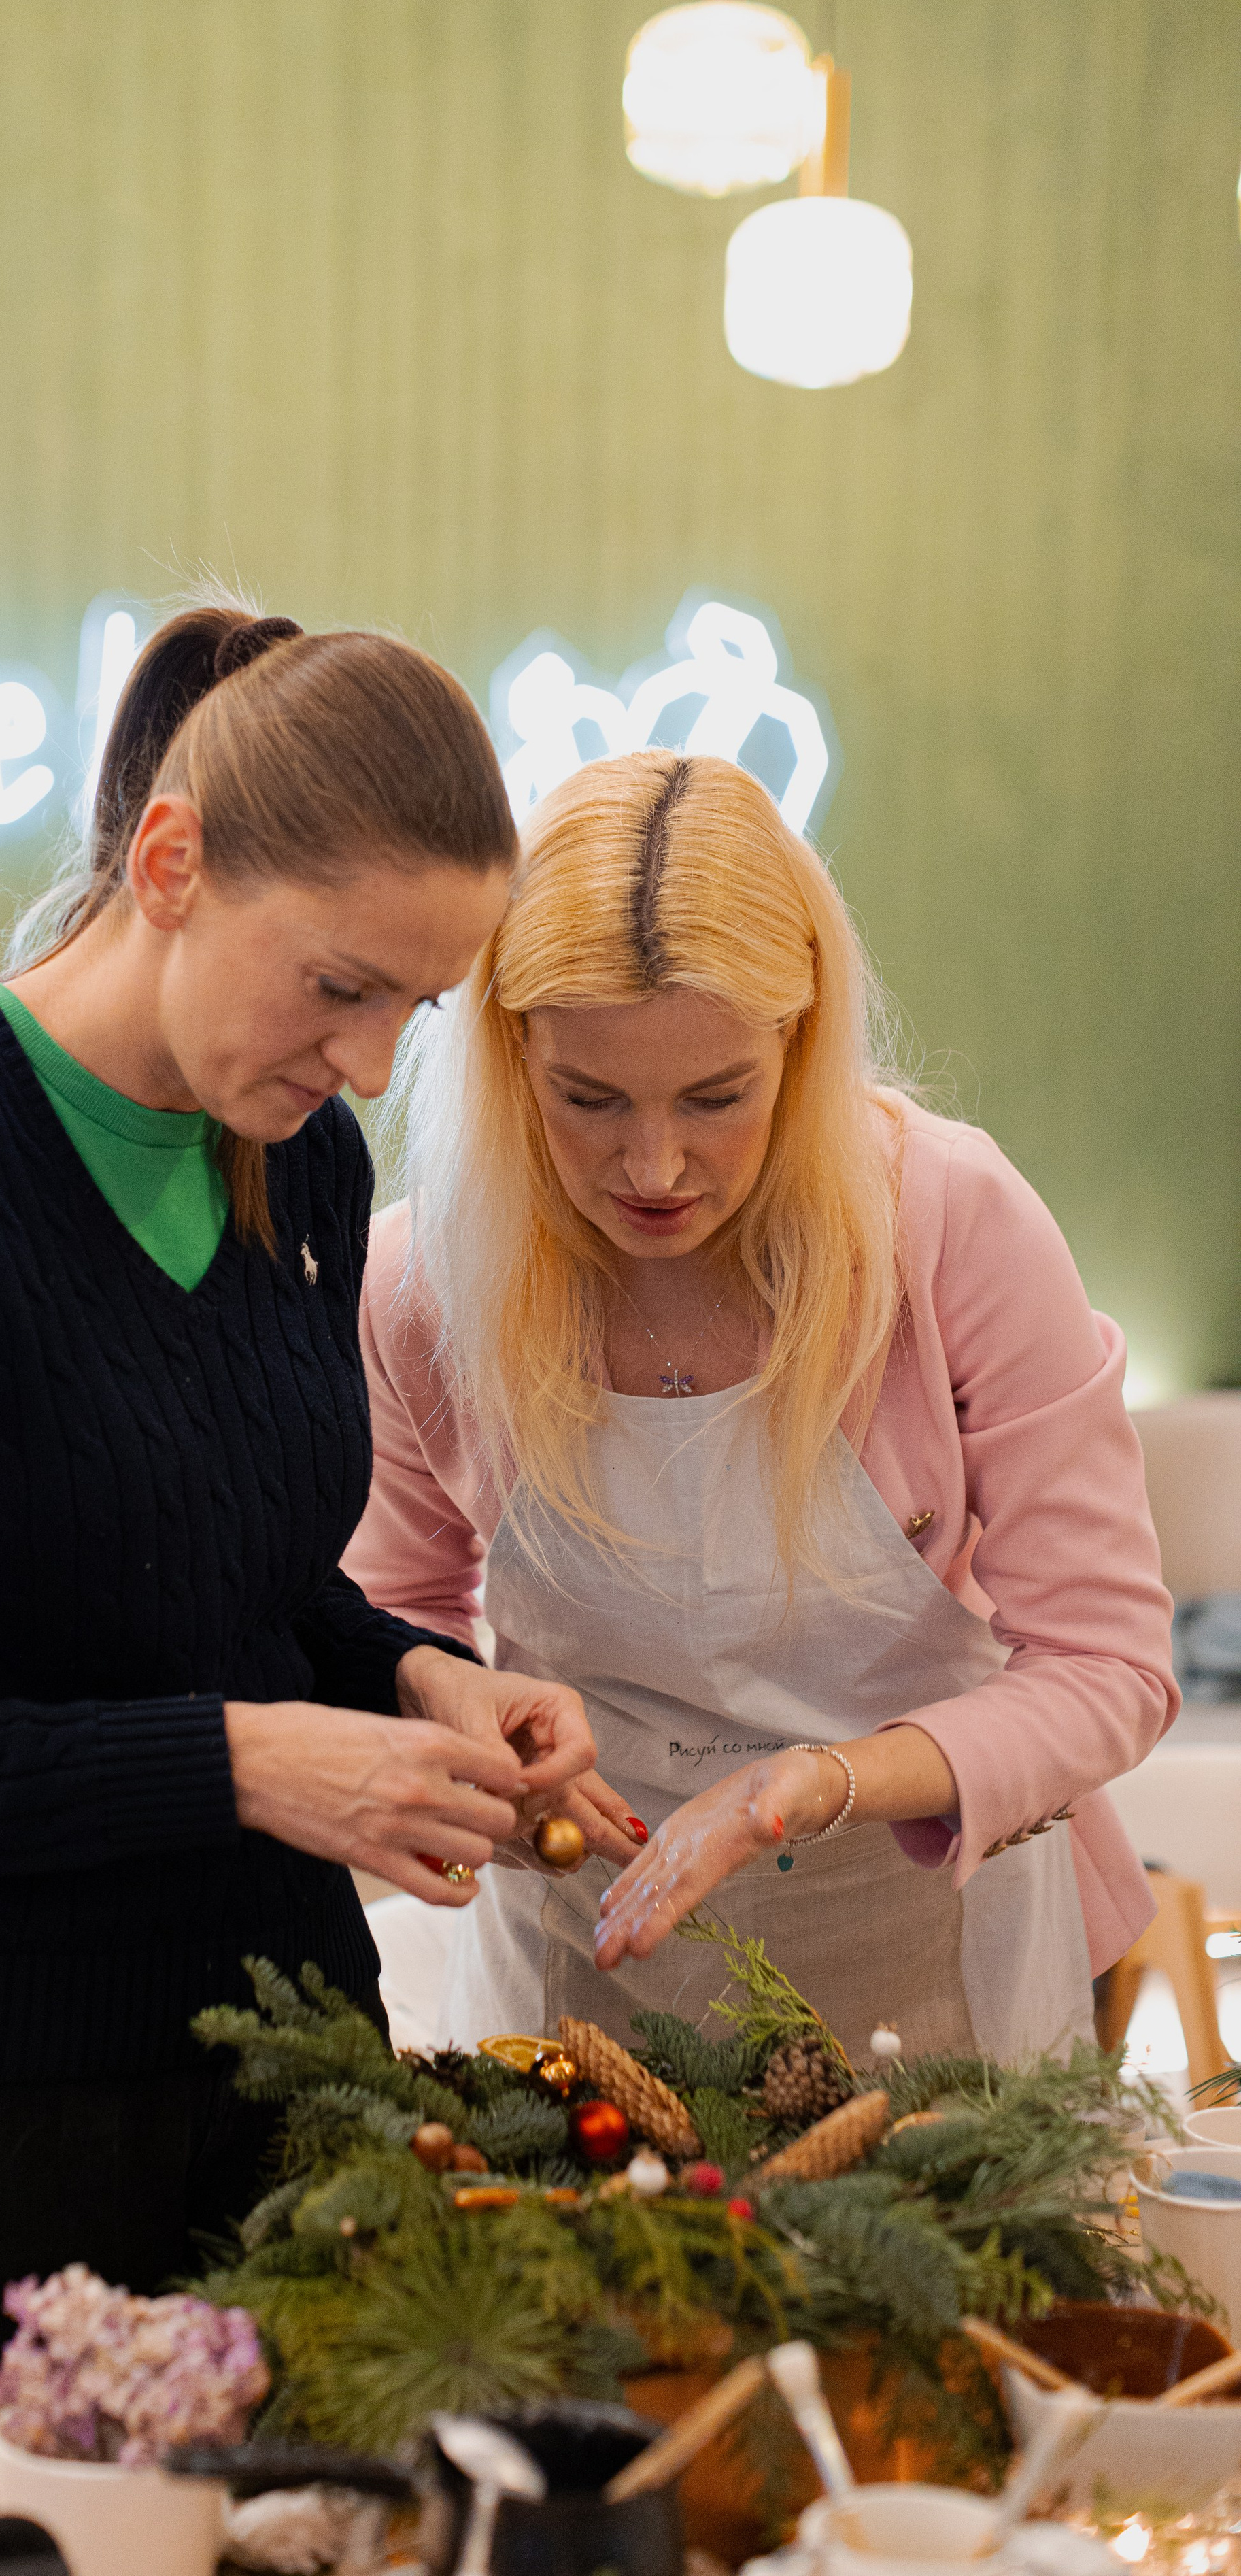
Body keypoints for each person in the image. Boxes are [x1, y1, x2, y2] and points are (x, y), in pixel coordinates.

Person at [0, 607, 598, 2534]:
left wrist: (409, 1673)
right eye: (341, 986)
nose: (376, 1063)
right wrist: (234, 1762)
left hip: (254, 2088)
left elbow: (219, 1573)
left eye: (418, 1007)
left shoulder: (295, 1160)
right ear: (169, 861)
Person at [347, 748, 1177, 2067]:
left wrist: (814, 1786)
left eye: (716, 1098)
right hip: (579, 1972)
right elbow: (392, 1627)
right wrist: (465, 1743)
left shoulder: (948, 1225)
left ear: (799, 1042)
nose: (655, 1164)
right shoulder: (423, 1280)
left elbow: (1108, 1669)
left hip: (929, 1958)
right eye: (589, 1100)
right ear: (511, 1056)